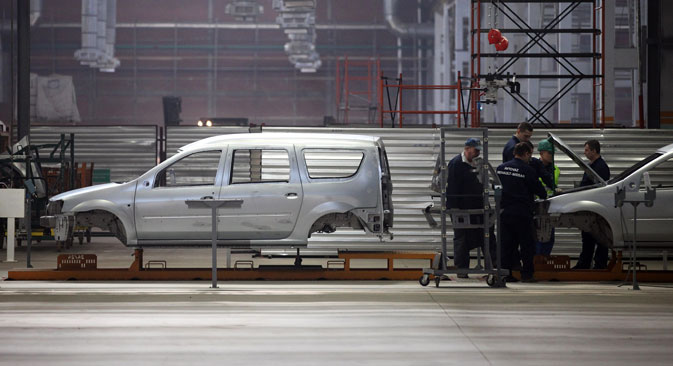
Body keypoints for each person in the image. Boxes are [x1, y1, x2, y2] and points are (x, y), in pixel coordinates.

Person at [446, 138, 497, 278]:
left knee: (486, 234)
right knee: (462, 238)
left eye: (479, 150)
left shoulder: (477, 164)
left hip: (478, 206)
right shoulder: (456, 164)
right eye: (476, 150)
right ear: (467, 148)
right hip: (461, 208)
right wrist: (454, 208)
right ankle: (462, 269)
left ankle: (493, 267)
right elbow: (451, 187)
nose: (478, 153)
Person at [496, 142, 547, 282]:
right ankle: (527, 274)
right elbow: (540, 190)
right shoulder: (527, 170)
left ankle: (506, 274)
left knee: (506, 245)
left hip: (504, 213)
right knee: (527, 245)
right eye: (529, 155)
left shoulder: (500, 168)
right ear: (526, 154)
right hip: (522, 213)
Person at [573, 139, 611, 269]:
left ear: (594, 151)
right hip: (590, 206)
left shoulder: (600, 167)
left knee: (598, 237)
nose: (584, 152)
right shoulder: (593, 165)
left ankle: (598, 265)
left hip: (596, 207)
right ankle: (587, 263)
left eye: (587, 150)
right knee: (588, 237)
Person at [535, 139, 560, 255]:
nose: (551, 155)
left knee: (549, 237)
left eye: (553, 153)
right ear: (541, 153)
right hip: (536, 208)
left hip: (550, 208)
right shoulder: (533, 168)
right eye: (549, 153)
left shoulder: (556, 170)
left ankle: (544, 261)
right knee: (537, 238)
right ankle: (536, 262)